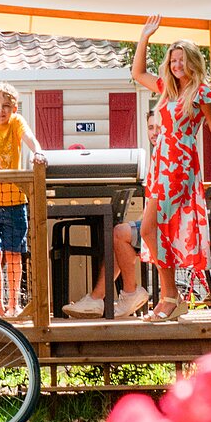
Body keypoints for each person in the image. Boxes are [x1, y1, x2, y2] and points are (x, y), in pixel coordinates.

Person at [132, 15, 211, 322]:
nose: (176, 65)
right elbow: (137, 72)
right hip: (160, 164)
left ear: (192, 61)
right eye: (172, 60)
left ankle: (171, 297)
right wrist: (144, 37)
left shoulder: (202, 92)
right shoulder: (166, 90)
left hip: (179, 165)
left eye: (181, 59)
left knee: (149, 228)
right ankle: (171, 297)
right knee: (155, 230)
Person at [62, 110, 157, 319]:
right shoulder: (157, 154)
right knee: (117, 238)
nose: (154, 132)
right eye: (151, 127)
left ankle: (129, 293)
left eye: (159, 127)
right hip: (153, 222)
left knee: (118, 233)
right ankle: (96, 300)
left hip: (167, 227)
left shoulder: (167, 154)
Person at [0, 81, 48, 317]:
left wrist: (37, 150)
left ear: (14, 108)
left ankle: (13, 304)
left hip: (14, 200)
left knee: (15, 254)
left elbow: (29, 137)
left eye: (6, 106)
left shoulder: (16, 122)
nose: (0, 110)